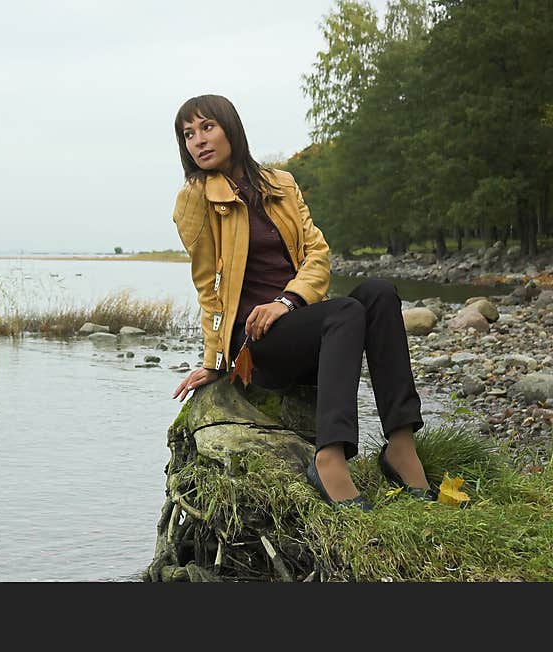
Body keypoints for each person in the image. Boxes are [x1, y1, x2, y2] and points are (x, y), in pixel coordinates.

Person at [169, 94, 436, 510]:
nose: (198, 141)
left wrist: (288, 301)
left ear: (230, 128)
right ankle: (329, 458)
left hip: (303, 322)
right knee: (346, 310)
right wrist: (213, 362)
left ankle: (400, 446)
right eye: (188, 134)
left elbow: (318, 254)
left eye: (207, 127)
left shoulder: (281, 184)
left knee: (379, 292)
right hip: (258, 342)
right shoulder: (196, 198)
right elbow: (208, 284)